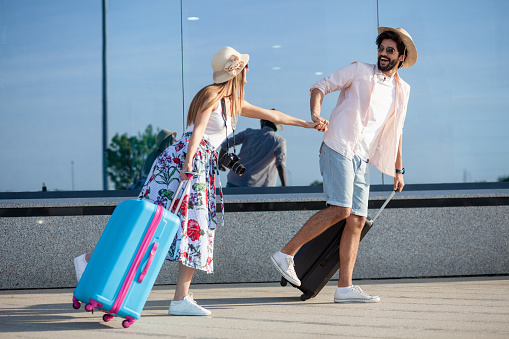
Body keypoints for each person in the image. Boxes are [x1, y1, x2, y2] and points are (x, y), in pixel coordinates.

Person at [74, 46, 323, 316]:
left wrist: (309, 125)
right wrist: (189, 163)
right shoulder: (211, 95)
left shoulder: (234, 103)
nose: (249, 71)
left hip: (199, 165)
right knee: (153, 223)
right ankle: (92, 261)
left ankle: (179, 298)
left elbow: (274, 116)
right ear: (237, 71)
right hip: (184, 163)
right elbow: (199, 130)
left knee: (194, 228)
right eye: (245, 67)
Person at [271, 27, 417, 303]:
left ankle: (344, 288)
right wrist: (316, 113)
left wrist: (399, 170)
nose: (383, 54)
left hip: (362, 158)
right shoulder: (358, 70)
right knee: (341, 208)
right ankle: (285, 254)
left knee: (357, 220)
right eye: (381, 48)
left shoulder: (402, 90)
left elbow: (397, 130)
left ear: (401, 57)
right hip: (338, 145)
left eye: (390, 51)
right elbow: (320, 86)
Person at [218, 118, 287, 187]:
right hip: (258, 185)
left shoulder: (248, 133)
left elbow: (225, 145)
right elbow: (280, 165)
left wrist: (221, 162)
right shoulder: (279, 141)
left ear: (262, 122)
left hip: (235, 179)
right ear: (276, 127)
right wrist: (284, 187)